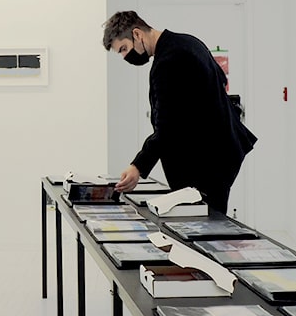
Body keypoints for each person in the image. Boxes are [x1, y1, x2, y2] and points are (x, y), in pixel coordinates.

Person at [102, 11, 256, 213]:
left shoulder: (168, 61)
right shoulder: (188, 42)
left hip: (204, 162)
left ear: (137, 34)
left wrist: (137, 166)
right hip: (219, 156)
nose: (125, 56)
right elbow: (221, 80)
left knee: (202, 224)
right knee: (210, 220)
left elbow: (168, 125)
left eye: (123, 48)